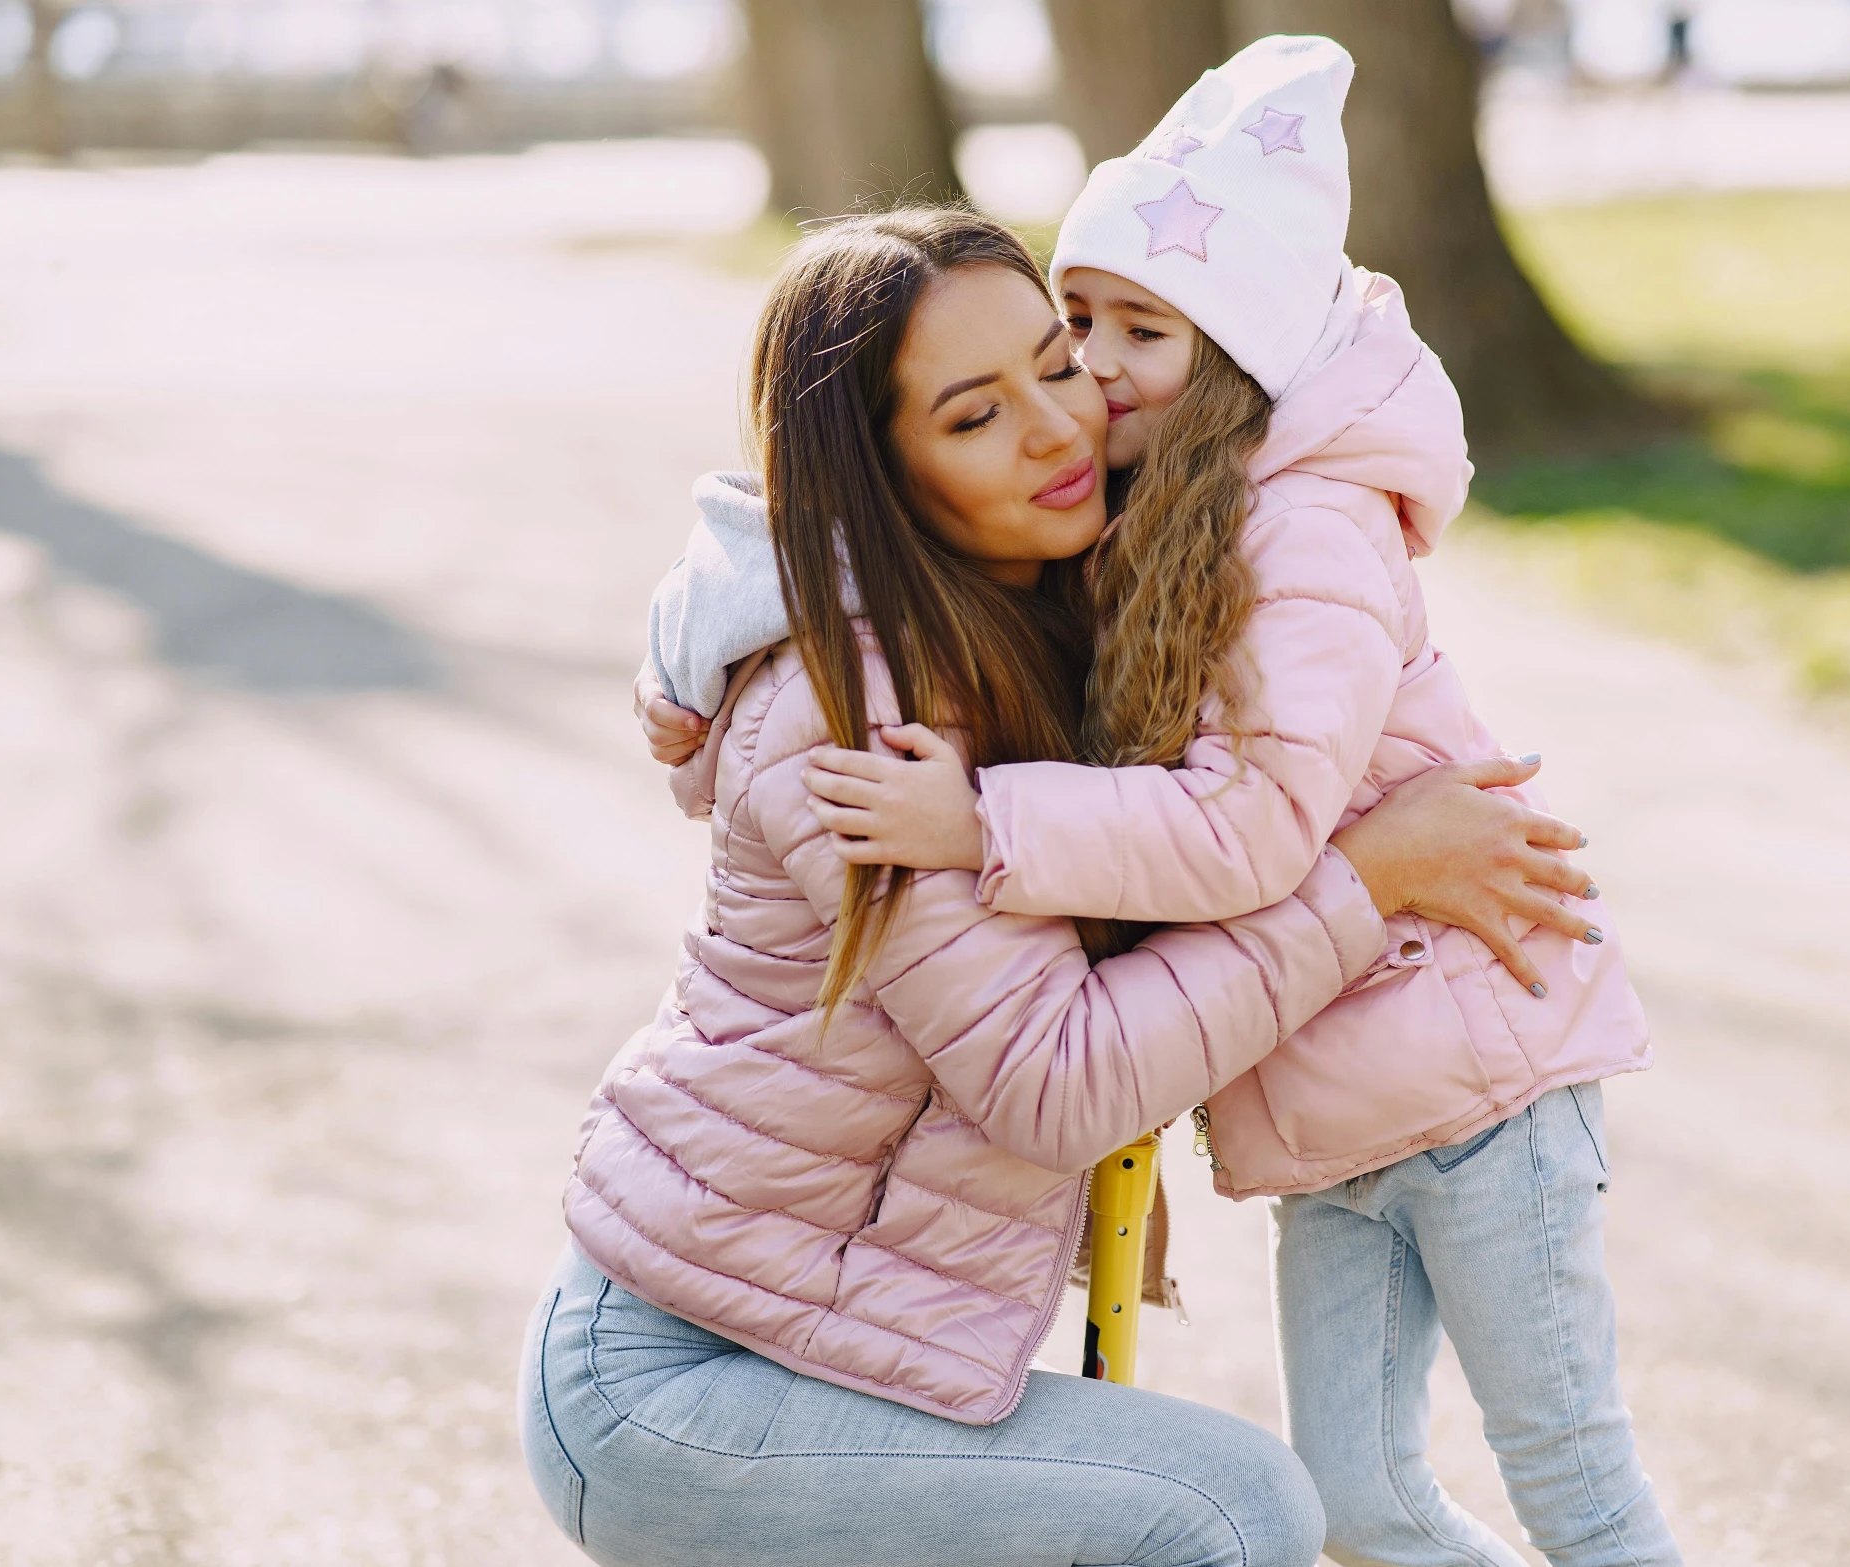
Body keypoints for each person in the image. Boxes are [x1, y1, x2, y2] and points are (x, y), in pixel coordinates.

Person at [653, 36, 1683, 1567]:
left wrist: (984, 822)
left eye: (1140, 330)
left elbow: (1250, 823)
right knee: (1353, 1499)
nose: (1090, 379)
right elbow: (814, 526)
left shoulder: (1304, 533)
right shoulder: (1148, 512)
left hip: (1471, 1071)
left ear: (1247, 351)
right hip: (1330, 1111)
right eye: (1082, 321)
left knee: (1573, 1480)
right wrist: (698, 664)